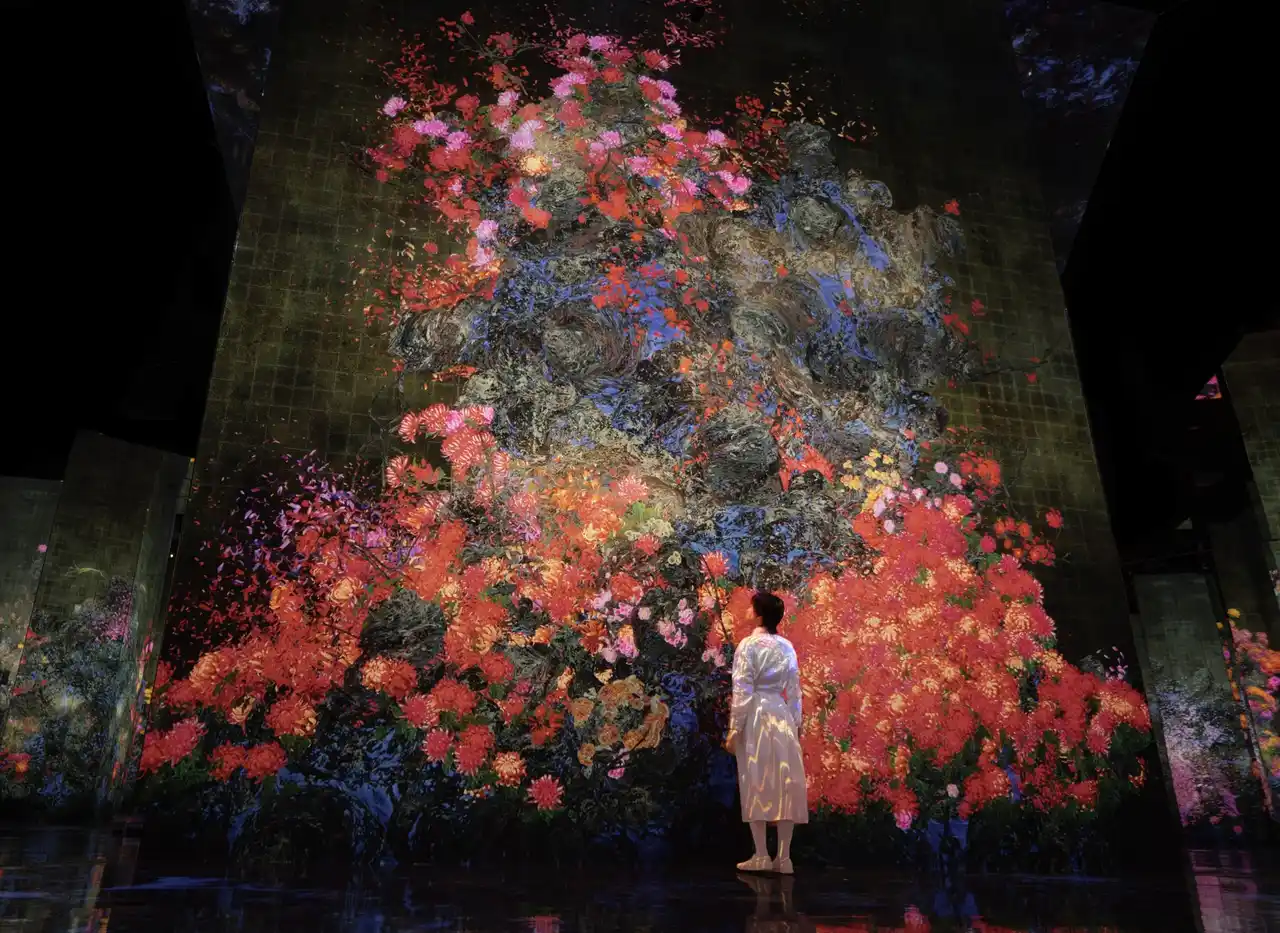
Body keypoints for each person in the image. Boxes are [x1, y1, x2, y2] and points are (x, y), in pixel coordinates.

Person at [724, 590, 809, 874]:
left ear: (759, 615)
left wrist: (735, 728)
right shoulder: (786, 647)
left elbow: (742, 690)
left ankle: (761, 854)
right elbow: (794, 690)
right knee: (785, 783)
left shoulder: (748, 646)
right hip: (781, 715)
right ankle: (784, 857)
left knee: (755, 779)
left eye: (752, 608)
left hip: (757, 716)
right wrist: (796, 723)